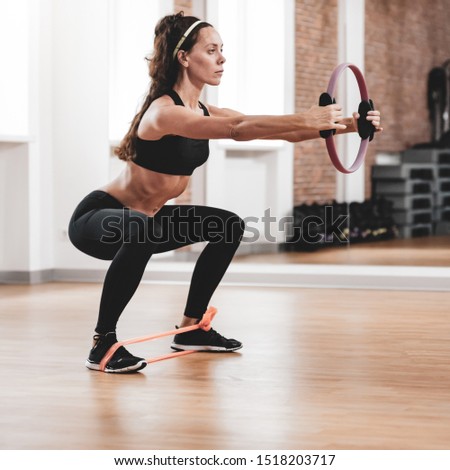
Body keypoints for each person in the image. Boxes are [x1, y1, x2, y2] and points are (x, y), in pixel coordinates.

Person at [68, 12, 382, 374]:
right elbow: (236, 129)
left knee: (227, 225)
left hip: (145, 223)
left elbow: (280, 133)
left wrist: (350, 126)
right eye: (212, 50)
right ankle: (102, 343)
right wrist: (303, 116)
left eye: (223, 50)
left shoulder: (203, 108)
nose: (222, 58)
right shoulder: (162, 112)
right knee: (141, 227)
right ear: (183, 57)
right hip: (98, 219)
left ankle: (191, 327)